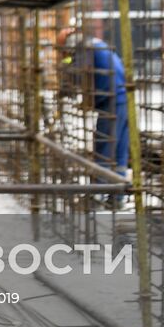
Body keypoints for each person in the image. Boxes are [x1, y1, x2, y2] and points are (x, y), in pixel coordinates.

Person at [60, 30, 131, 207]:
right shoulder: (98, 45)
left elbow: (76, 74)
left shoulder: (86, 49)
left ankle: (96, 195)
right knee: (120, 150)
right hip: (125, 99)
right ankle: (117, 196)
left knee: (103, 147)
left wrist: (65, 88)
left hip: (111, 101)